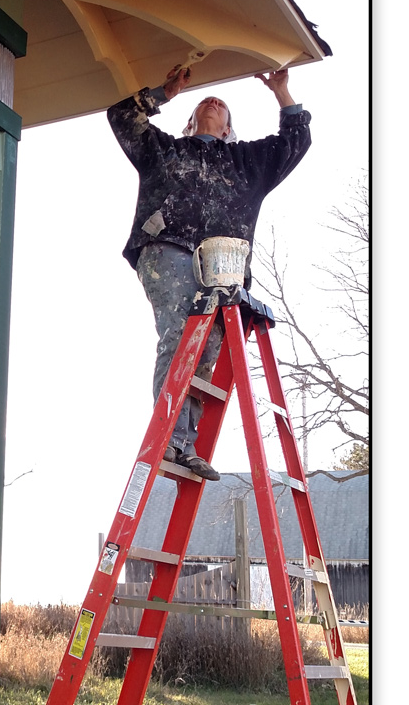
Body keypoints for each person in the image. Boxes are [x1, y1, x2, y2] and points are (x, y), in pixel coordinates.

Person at [107, 65, 311, 479]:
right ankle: (170, 439)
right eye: (206, 101)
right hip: (169, 247)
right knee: (182, 335)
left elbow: (296, 141)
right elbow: (121, 116)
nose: (214, 102)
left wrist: (282, 92)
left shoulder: (247, 162)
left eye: (223, 106)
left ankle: (183, 442)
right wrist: (164, 91)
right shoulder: (165, 150)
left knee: (205, 351)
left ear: (228, 130)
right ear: (190, 122)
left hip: (224, 268)